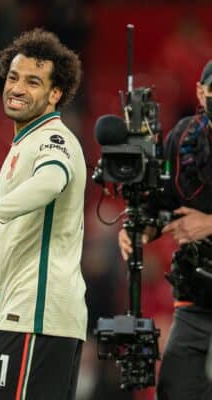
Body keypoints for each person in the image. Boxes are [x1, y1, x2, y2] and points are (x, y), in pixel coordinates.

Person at [0, 28, 86, 400]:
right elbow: (26, 232)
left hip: (37, 317)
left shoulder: (53, 139)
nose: (17, 88)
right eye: (13, 77)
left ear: (55, 93)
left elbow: (51, 181)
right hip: (28, 313)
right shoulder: (25, 143)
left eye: (33, 81)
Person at [118, 60, 212, 400]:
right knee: (175, 388)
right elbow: (163, 204)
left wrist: (210, 223)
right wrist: (141, 231)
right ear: (201, 93)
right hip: (197, 296)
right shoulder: (182, 137)